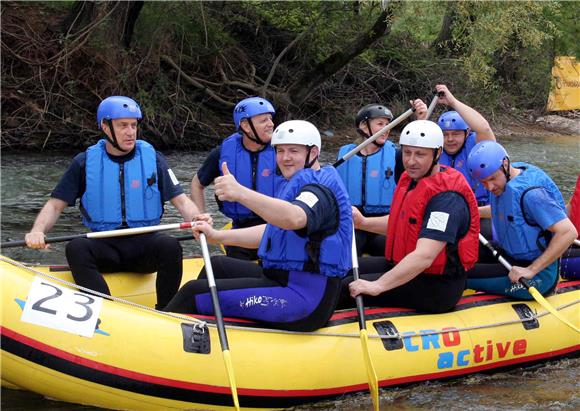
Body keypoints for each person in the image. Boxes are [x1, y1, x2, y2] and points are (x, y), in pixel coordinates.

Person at [165, 120, 353, 331]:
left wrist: (240, 193)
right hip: (281, 279)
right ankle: (205, 331)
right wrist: (217, 236)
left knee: (194, 292)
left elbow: (294, 218)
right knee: (219, 266)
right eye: (280, 151)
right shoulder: (298, 182)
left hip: (303, 300)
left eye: (294, 151)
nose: (285, 158)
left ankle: (162, 344)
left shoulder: (318, 191)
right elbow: (273, 230)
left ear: (314, 152)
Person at [25, 96, 204, 309]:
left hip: (144, 247)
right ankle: (106, 310)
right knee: (77, 247)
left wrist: (195, 219)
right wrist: (37, 230)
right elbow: (55, 205)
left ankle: (167, 311)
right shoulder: (84, 162)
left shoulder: (153, 158)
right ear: (105, 126)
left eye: (133, 125)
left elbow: (182, 201)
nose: (130, 132)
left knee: (170, 246)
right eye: (122, 126)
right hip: (104, 246)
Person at [342, 120, 480, 313]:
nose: (411, 161)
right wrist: (362, 222)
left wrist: (378, 285)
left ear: (437, 154)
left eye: (420, 154)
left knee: (345, 287)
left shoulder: (447, 199)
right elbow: (401, 222)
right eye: (407, 153)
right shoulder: (412, 179)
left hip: (435, 286)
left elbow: (425, 255)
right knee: (340, 268)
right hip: (404, 266)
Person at [465, 141, 577, 299]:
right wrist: (473, 212)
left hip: (538, 275)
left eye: (492, 179)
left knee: (461, 276)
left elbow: (568, 232)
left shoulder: (533, 195)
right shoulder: (507, 179)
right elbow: (509, 210)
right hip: (510, 255)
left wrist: (531, 270)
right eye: (483, 182)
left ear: (505, 164)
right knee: (459, 257)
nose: (489, 187)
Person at [190, 96, 285, 260]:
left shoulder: (283, 151)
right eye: (263, 120)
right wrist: (201, 217)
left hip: (278, 227)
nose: (271, 124)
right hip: (241, 230)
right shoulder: (224, 152)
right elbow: (196, 184)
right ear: (246, 125)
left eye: (270, 119)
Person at [336, 100, 428, 256]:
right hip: (353, 221)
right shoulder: (345, 156)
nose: (386, 129)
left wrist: (422, 121)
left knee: (385, 246)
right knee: (345, 247)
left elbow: (422, 151)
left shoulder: (397, 156)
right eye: (380, 124)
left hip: (385, 222)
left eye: (388, 124)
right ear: (364, 126)